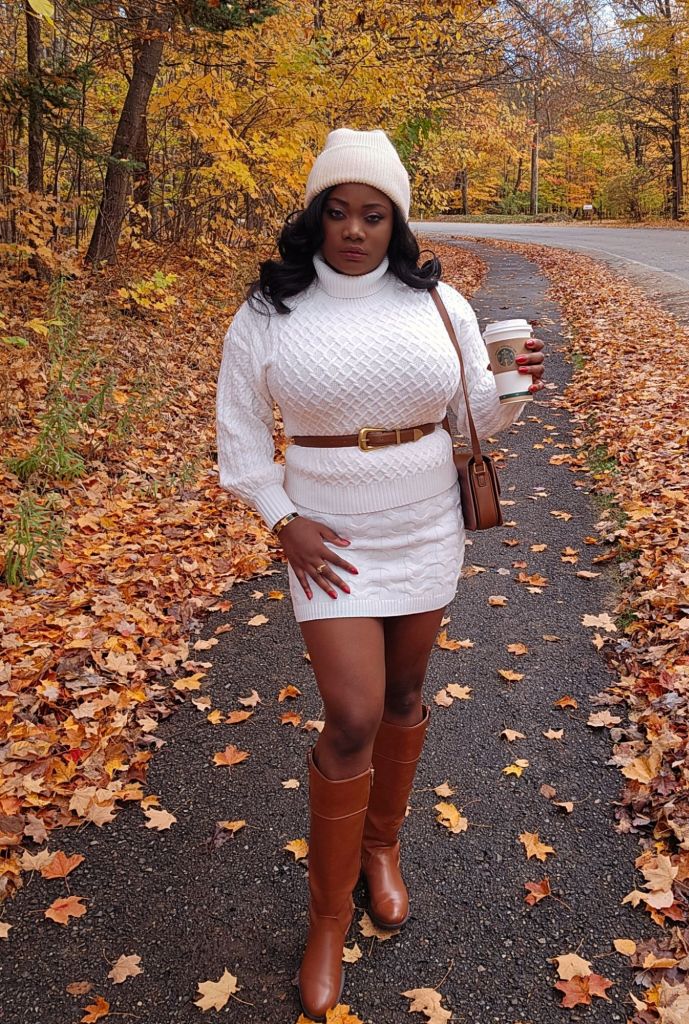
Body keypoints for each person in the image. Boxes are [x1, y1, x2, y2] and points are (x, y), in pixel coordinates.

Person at [215, 127, 545, 1022]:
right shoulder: (269, 311)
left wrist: (512, 390)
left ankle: (381, 851)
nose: (354, 228)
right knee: (353, 712)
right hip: (329, 536)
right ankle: (326, 920)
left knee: (403, 698)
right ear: (316, 214)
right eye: (338, 209)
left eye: (373, 213)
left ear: (394, 219)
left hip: (426, 522)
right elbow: (241, 434)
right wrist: (279, 519)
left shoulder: (438, 305)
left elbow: (473, 419)